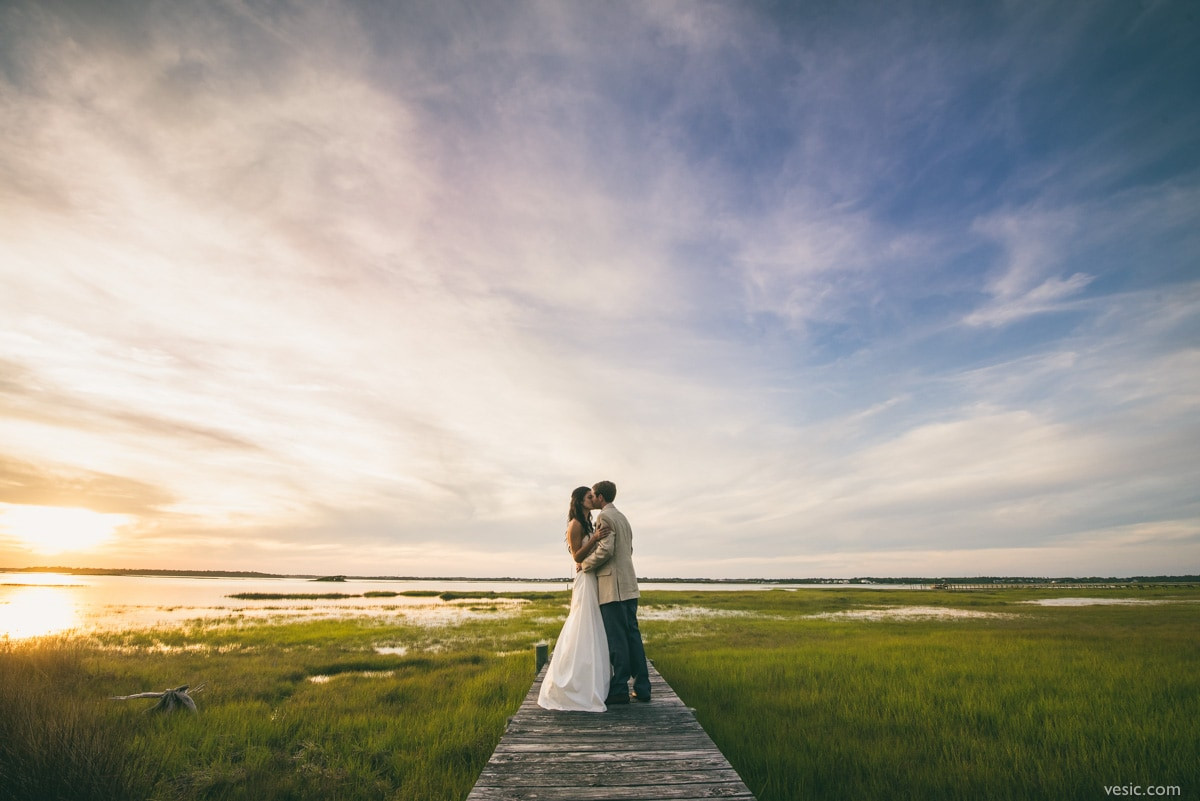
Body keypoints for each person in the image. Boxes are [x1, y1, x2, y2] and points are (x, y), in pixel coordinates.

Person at [536, 486, 612, 712]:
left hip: (593, 578)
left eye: (593, 496)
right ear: (579, 501)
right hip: (584, 580)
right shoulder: (575, 524)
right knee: (581, 625)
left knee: (593, 627)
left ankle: (593, 679)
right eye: (589, 497)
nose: (593, 499)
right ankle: (572, 683)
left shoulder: (589, 522)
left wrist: (596, 537)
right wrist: (596, 538)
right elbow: (576, 556)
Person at [579, 480, 651, 704]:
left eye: (593, 495)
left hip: (614, 588)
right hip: (629, 586)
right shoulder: (623, 518)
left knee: (617, 639)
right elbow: (628, 549)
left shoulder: (605, 517)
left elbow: (606, 550)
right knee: (633, 637)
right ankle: (643, 687)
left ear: (601, 497)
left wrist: (585, 565)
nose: (592, 499)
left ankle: (619, 689)